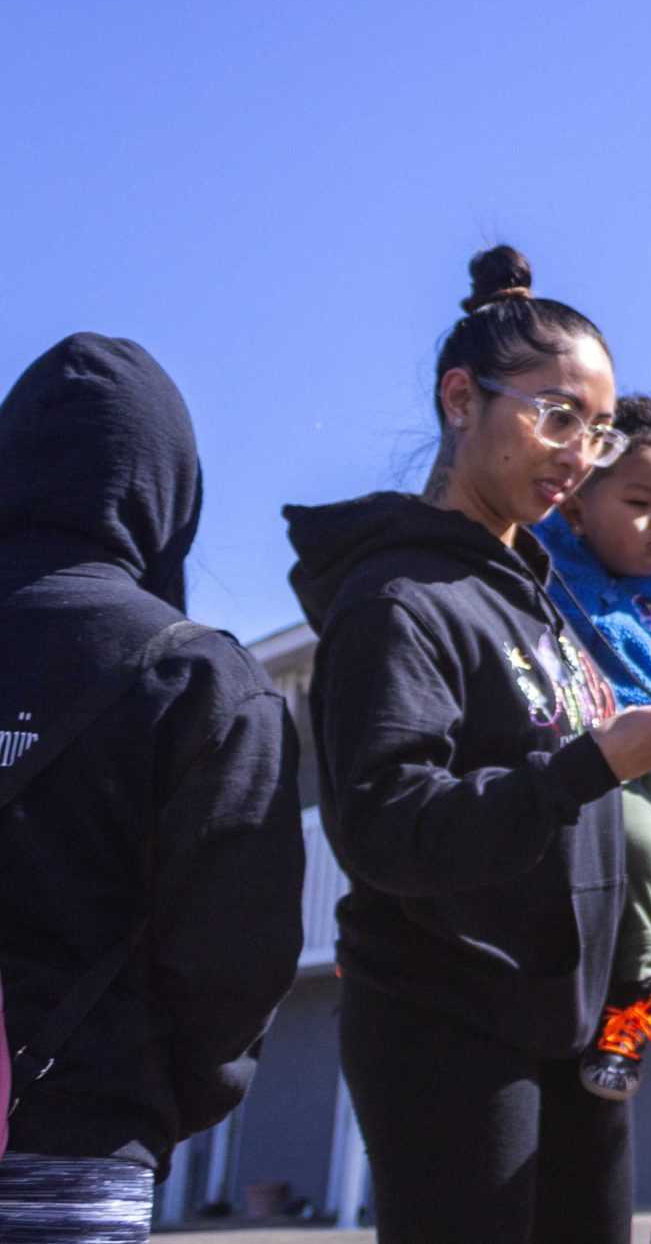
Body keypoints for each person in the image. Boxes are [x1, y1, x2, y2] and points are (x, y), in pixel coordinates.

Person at [286, 247, 651, 1244]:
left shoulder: (547, 608)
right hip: (450, 1027)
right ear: (460, 399)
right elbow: (386, 829)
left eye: (595, 435)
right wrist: (603, 758)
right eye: (555, 416)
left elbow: (578, 795)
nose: (576, 453)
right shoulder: (399, 601)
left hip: (575, 1022)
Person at [0, 335, 304, 1242]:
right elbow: (235, 957)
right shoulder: (198, 677)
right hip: (79, 1143)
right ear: (167, 488)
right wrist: (156, 1100)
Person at [530, 393, 651, 1101]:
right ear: (577, 507)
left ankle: (630, 1002)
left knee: (641, 847)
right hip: (543, 758)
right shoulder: (546, 563)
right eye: (641, 501)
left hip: (623, 776)